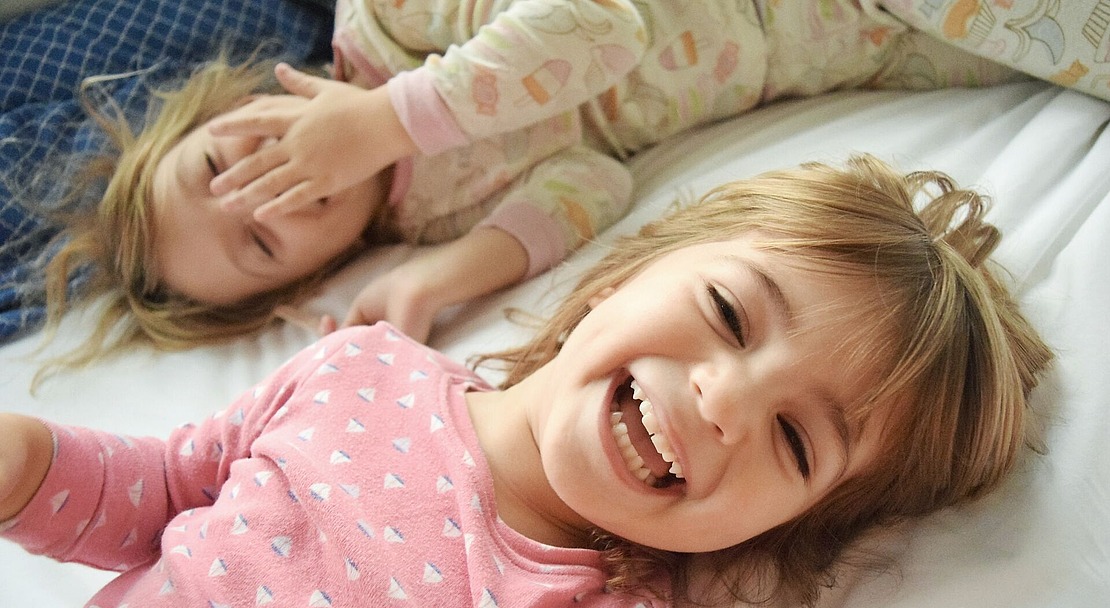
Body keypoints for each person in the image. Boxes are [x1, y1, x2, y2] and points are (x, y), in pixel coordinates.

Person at [0, 156, 1054, 608]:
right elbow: (164, 493)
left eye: (795, 441)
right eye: (731, 315)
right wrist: (28, 466)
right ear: (619, 274)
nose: (728, 401)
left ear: (794, 528)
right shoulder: (362, 368)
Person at [7, 0, 1048, 371]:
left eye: (221, 167)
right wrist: (443, 276)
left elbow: (603, 27)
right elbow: (591, 179)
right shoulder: (430, 212)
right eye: (261, 243)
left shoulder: (389, 28)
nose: (267, 193)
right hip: (847, 52)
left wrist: (384, 117)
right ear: (317, 269)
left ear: (221, 107)